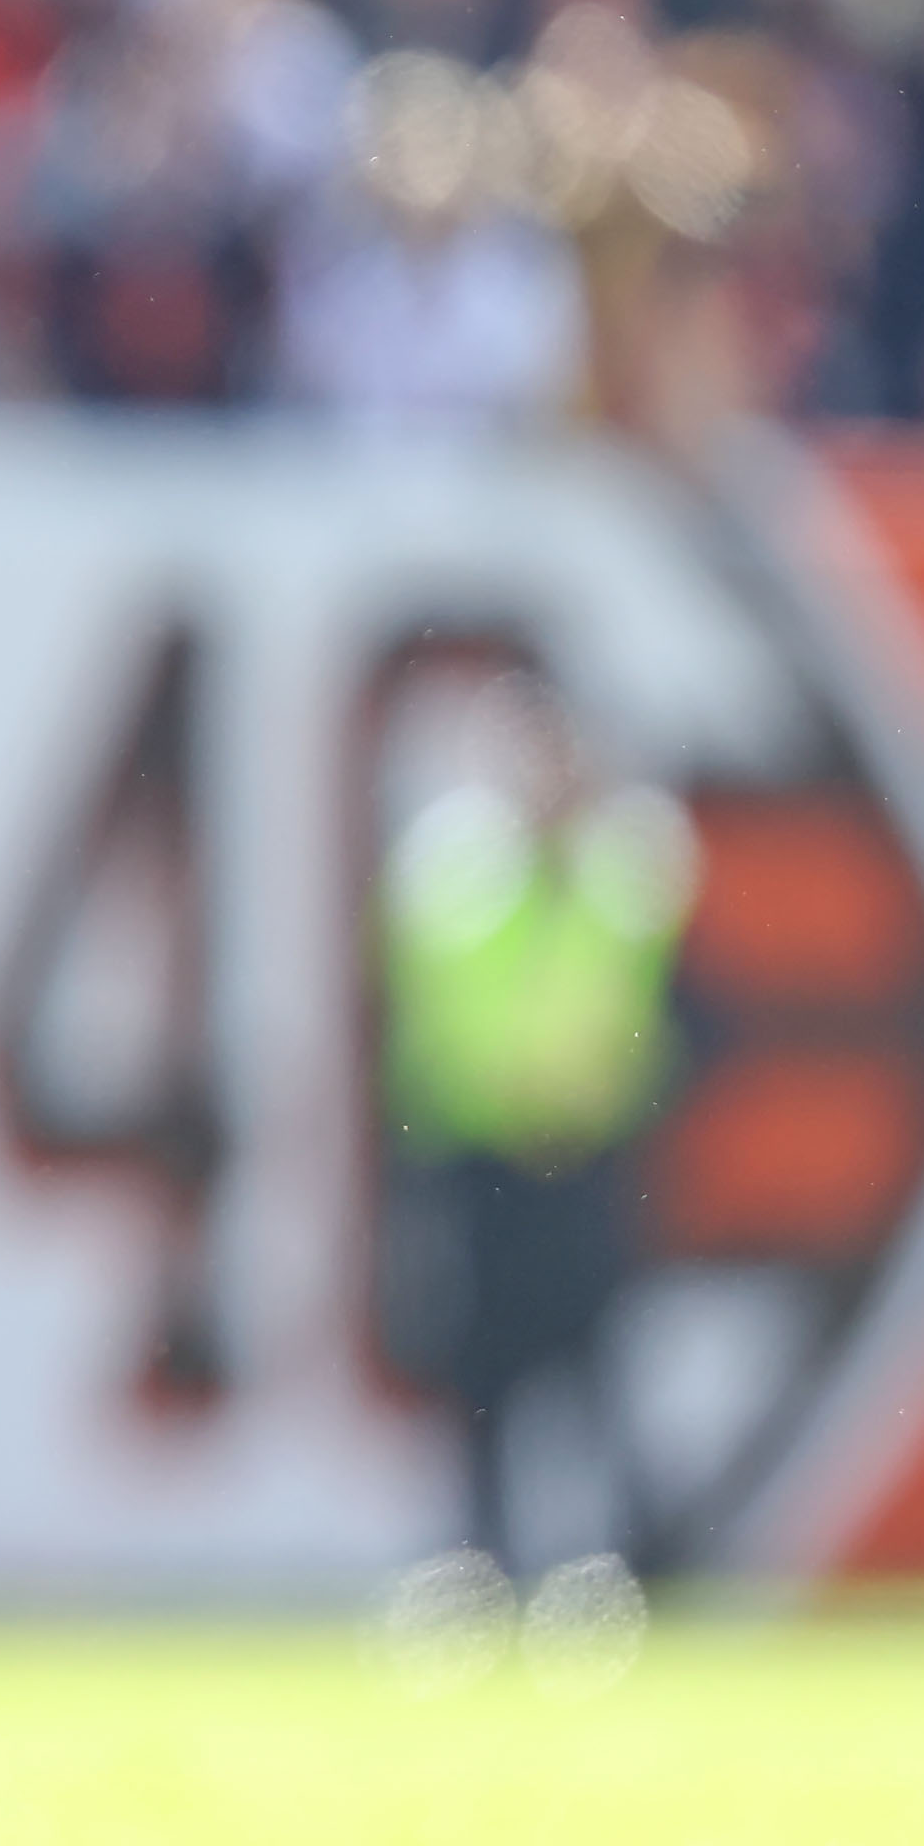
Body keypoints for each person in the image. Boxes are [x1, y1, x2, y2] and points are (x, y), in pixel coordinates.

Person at [381, 673, 700, 1577]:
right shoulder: (456, 880)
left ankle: (625, 1561)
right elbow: (433, 1029)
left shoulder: (626, 877)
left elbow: (666, 1017)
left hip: (589, 1160)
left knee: (595, 1372)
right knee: (483, 1380)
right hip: (482, 1161)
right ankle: (483, 1561)